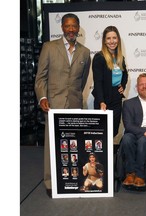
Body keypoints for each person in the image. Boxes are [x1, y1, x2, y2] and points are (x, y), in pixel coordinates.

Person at [34, 13, 91, 197]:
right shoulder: (49, 48)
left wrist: (74, 95)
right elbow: (40, 78)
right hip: (53, 105)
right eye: (68, 26)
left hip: (74, 104)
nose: (71, 29)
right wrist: (43, 97)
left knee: (72, 144)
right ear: (62, 28)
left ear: (78, 27)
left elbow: (81, 81)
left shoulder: (84, 52)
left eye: (74, 26)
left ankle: (72, 179)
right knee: (52, 144)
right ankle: (51, 182)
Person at [121, 73, 146, 188]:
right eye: (141, 84)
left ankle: (140, 175)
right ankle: (130, 173)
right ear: (136, 87)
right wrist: (144, 131)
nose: (144, 87)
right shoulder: (128, 103)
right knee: (127, 138)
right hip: (136, 130)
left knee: (143, 141)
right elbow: (128, 125)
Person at [92, 26, 128, 137]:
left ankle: (110, 154)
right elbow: (97, 82)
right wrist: (101, 102)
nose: (112, 41)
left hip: (116, 99)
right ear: (104, 40)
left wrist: (122, 85)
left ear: (118, 39)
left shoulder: (120, 57)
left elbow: (125, 73)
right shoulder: (99, 58)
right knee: (102, 133)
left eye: (114, 38)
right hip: (104, 99)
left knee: (113, 131)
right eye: (108, 38)